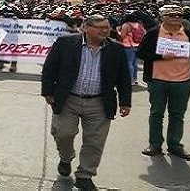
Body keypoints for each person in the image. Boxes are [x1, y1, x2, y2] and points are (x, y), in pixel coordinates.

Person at [42, 14, 131, 191]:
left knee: (95, 141)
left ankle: (85, 175)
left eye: (107, 27)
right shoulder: (65, 43)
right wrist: (48, 91)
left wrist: (125, 101)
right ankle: (66, 158)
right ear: (86, 28)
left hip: (99, 102)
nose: (105, 31)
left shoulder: (116, 49)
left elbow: (123, 77)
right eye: (100, 28)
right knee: (63, 133)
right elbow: (50, 67)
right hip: (68, 99)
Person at [137, 5, 190, 160]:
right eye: (171, 15)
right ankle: (155, 144)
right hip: (158, 81)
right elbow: (141, 53)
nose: (176, 17)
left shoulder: (189, 35)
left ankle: (175, 145)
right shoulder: (153, 34)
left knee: (177, 115)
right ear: (162, 17)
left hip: (183, 82)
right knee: (156, 113)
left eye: (178, 15)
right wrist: (160, 57)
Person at [119, 13, 145, 85]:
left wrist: (119, 33)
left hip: (128, 45)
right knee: (135, 63)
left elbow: (122, 36)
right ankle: (135, 79)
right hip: (137, 45)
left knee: (129, 63)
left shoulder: (126, 25)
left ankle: (130, 80)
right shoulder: (139, 25)